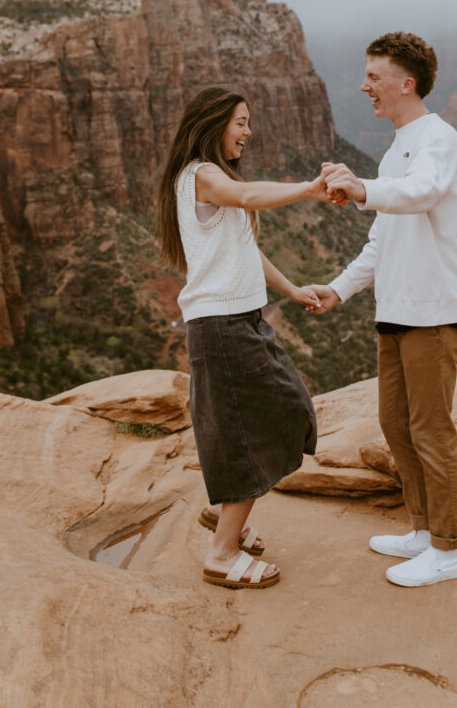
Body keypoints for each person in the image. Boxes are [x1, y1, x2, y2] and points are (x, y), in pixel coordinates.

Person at [310, 32, 457, 588]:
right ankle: (425, 531)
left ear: (406, 83)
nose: (364, 87)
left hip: (433, 312)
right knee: (395, 423)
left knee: (431, 429)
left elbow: (421, 193)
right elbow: (383, 240)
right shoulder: (398, 145)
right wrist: (339, 288)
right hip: (398, 309)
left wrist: (361, 188)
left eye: (374, 77)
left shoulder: (438, 139)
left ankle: (450, 549)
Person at [157, 86, 327, 590]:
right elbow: (251, 196)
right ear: (214, 125)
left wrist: (293, 290)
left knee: (283, 414)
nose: (248, 132)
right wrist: (310, 188)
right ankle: (221, 554)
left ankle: (223, 516)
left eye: (249, 122)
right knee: (254, 432)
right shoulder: (201, 176)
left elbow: (246, 248)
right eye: (240, 122)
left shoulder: (215, 178)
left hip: (242, 321)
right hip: (222, 327)